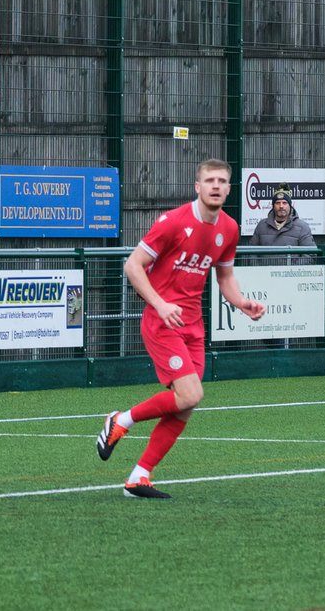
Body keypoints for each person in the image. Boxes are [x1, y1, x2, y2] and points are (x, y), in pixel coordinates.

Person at [96, 159, 266, 498]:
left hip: (193, 325)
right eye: (209, 180)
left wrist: (241, 302)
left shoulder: (229, 228)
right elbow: (133, 265)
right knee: (190, 394)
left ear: (229, 189)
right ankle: (121, 420)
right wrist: (160, 304)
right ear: (197, 186)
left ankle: (138, 477)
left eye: (222, 181)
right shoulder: (173, 221)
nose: (216, 186)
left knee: (185, 404)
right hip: (162, 322)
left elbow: (225, 276)